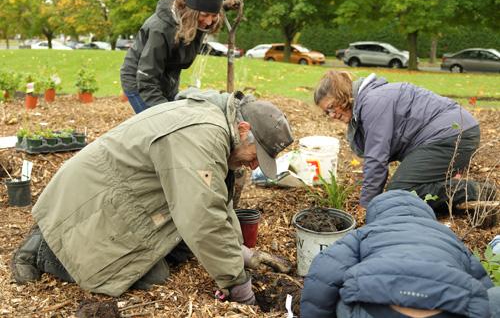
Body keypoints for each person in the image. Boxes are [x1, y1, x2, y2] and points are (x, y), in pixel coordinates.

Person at [11, 88, 294, 304]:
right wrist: (238, 286)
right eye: (257, 157)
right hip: (92, 197)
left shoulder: (218, 124)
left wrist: (243, 253)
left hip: (124, 192)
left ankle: (57, 240)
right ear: (244, 131)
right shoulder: (202, 136)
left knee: (175, 257)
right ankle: (42, 249)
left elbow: (213, 202)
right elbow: (202, 215)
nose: (254, 166)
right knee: (150, 276)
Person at [313, 70, 496, 210]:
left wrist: (366, 207)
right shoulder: (369, 102)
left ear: (343, 95)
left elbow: (377, 159)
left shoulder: (372, 102)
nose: (332, 115)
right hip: (449, 134)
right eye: (326, 113)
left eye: (331, 107)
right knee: (400, 190)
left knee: (400, 193)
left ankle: (477, 191)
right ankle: (453, 187)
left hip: (453, 135)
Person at [301, 190, 500, 318]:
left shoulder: (365, 233)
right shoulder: (451, 238)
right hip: (446, 309)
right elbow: (482, 287)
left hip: (375, 311)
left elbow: (323, 275)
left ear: (375, 217)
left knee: (342, 293)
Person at [120, 0, 242, 114]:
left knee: (174, 124)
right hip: (141, 82)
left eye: (214, 15)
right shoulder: (161, 29)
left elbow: (205, 2)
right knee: (161, 126)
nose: (208, 22)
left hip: (167, 78)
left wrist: (224, 4)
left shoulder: (192, 14)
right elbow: (147, 78)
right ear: (191, 11)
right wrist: (166, 114)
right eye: (205, 15)